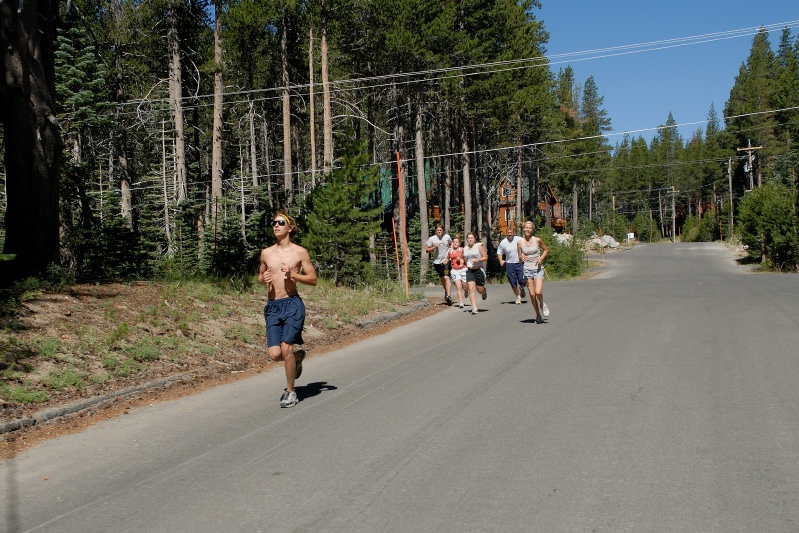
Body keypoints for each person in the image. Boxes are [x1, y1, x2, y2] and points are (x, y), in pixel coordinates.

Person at [259, 211, 318, 408]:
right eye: (273, 222)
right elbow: (260, 277)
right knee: (275, 354)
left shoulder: (299, 252)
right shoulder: (266, 253)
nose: (275, 225)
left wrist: (294, 275)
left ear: (290, 228)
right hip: (273, 306)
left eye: (280, 222)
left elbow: (313, 279)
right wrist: (263, 279)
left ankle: (290, 392)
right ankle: (298, 358)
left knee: (286, 348)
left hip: (292, 304)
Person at [518, 220, 549, 324]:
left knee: (538, 292)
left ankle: (542, 304)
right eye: (526, 227)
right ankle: (538, 315)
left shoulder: (537, 240)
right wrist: (521, 257)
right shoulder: (520, 243)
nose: (527, 229)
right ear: (523, 229)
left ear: (532, 230)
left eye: (529, 228)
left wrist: (541, 258)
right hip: (527, 270)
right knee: (532, 295)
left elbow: (546, 250)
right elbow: (519, 258)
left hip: (537, 269)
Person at [496, 225, 526, 304]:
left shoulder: (519, 239)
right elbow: (499, 252)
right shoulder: (503, 242)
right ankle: (518, 297)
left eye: (511, 233)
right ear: (506, 233)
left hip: (519, 263)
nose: (509, 234)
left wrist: (525, 255)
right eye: (508, 233)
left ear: (514, 233)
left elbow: (526, 245)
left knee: (521, 279)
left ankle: (522, 287)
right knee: (512, 282)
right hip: (509, 264)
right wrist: (500, 260)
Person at [425, 223, 453, 305]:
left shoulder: (447, 237)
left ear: (443, 230)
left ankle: (449, 296)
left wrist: (450, 252)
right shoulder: (432, 239)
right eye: (438, 230)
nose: (439, 231)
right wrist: (434, 247)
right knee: (442, 278)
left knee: (446, 277)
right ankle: (446, 291)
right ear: (435, 230)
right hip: (437, 262)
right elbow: (427, 250)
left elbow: (451, 244)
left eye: (440, 230)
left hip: (446, 260)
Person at [463, 231, 489, 315]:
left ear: (474, 239)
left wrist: (477, 260)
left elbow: (485, 257)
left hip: (478, 270)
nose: (470, 239)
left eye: (472, 238)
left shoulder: (478, 247)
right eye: (469, 238)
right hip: (469, 271)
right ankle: (474, 307)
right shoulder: (465, 248)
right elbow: (464, 258)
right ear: (467, 239)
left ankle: (484, 291)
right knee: (471, 289)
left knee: (479, 290)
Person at [448, 235, 467, 308]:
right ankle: (461, 303)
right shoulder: (450, 251)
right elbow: (447, 258)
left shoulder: (462, 250)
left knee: (465, 286)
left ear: (459, 243)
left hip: (463, 269)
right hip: (455, 270)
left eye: (457, 242)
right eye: (454, 242)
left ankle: (466, 291)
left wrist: (461, 259)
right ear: (452, 243)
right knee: (458, 287)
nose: (455, 243)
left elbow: (466, 258)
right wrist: (445, 261)